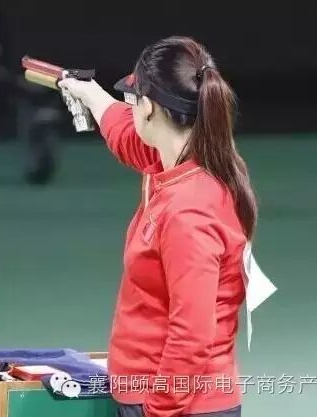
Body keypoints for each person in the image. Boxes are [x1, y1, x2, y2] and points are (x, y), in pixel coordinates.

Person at [59, 36, 256, 417]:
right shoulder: (180, 163)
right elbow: (126, 134)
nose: (129, 107)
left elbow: (192, 337)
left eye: (133, 99)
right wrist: (91, 95)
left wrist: (157, 411)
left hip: (175, 406)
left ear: (148, 108)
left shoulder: (188, 212)